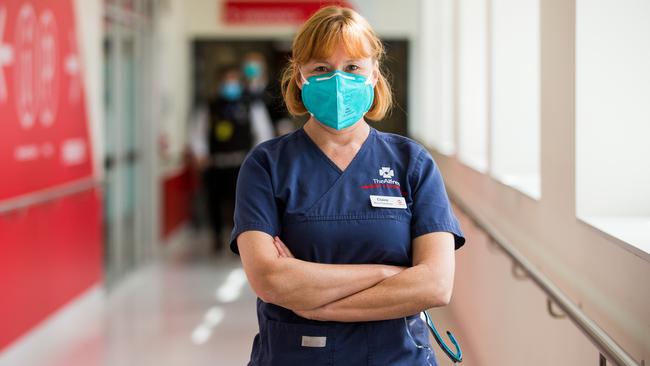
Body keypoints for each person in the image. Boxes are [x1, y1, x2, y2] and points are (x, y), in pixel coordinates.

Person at [229, 6, 466, 366]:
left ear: (373, 75)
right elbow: (270, 279)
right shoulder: (266, 165)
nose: (339, 80)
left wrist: (314, 304)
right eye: (321, 69)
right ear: (299, 77)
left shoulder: (412, 164)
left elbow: (434, 284)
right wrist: (387, 275)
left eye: (353, 67)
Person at [199, 65, 253, 252]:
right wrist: (201, 154)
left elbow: (262, 134)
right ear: (220, 82)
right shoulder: (211, 106)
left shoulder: (250, 105)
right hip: (216, 164)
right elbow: (198, 133)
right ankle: (217, 237)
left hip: (242, 164)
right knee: (214, 202)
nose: (231, 84)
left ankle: (239, 239)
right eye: (227, 80)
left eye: (234, 80)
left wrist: (257, 160)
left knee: (239, 204)